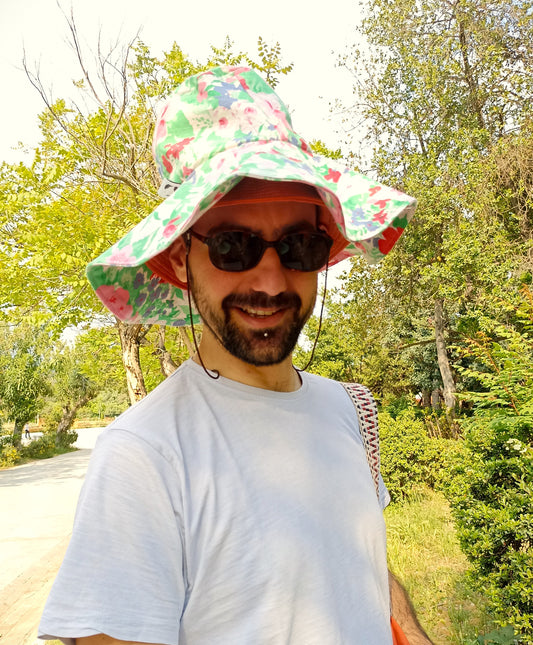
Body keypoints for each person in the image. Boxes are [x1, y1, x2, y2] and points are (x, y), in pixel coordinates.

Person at [39, 66, 430, 644]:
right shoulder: (145, 456)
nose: (270, 280)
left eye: (299, 245)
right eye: (232, 247)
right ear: (177, 259)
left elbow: (356, 565)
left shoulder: (349, 409)